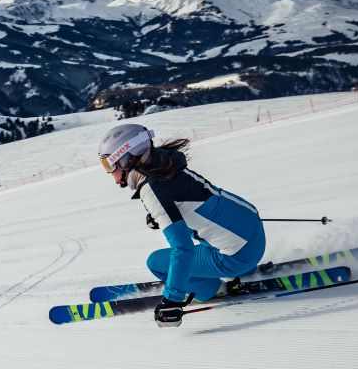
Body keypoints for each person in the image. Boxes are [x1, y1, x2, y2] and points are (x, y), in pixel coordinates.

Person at [97, 123, 265, 327]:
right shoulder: (165, 162)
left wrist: (171, 301)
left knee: (156, 263)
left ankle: (215, 288)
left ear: (126, 158)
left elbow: (182, 249)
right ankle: (235, 271)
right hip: (252, 229)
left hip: (237, 256)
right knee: (203, 242)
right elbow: (192, 200)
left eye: (108, 164)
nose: (109, 172)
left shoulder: (151, 188)